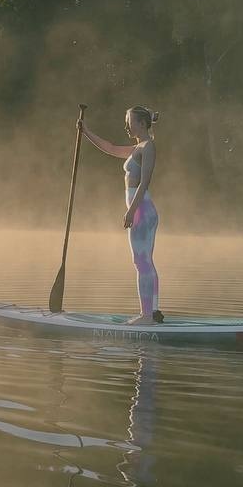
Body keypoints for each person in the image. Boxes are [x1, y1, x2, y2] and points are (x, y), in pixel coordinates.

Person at [77, 107, 163, 325]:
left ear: (142, 124)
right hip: (140, 209)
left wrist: (131, 211)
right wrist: (86, 132)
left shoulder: (148, 147)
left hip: (142, 210)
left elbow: (144, 182)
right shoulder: (137, 148)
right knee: (144, 262)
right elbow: (110, 148)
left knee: (141, 262)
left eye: (130, 122)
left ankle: (146, 316)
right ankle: (153, 313)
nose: (127, 126)